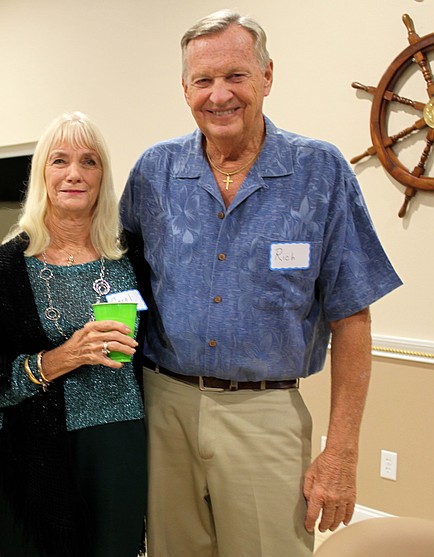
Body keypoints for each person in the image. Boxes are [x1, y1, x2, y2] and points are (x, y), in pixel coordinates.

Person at [120, 9, 402, 557]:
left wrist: (341, 452)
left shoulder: (319, 172)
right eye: (203, 80)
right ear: (185, 89)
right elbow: (114, 277)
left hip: (265, 414)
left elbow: (353, 316)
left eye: (236, 76)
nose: (219, 94)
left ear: (268, 76)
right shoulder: (155, 172)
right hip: (163, 405)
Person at [0, 112, 148, 557]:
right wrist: (61, 357)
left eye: (89, 161)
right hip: (35, 451)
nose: (74, 174)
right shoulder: (8, 267)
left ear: (103, 175)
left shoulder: (130, 255)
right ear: (42, 173)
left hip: (120, 443)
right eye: (60, 161)